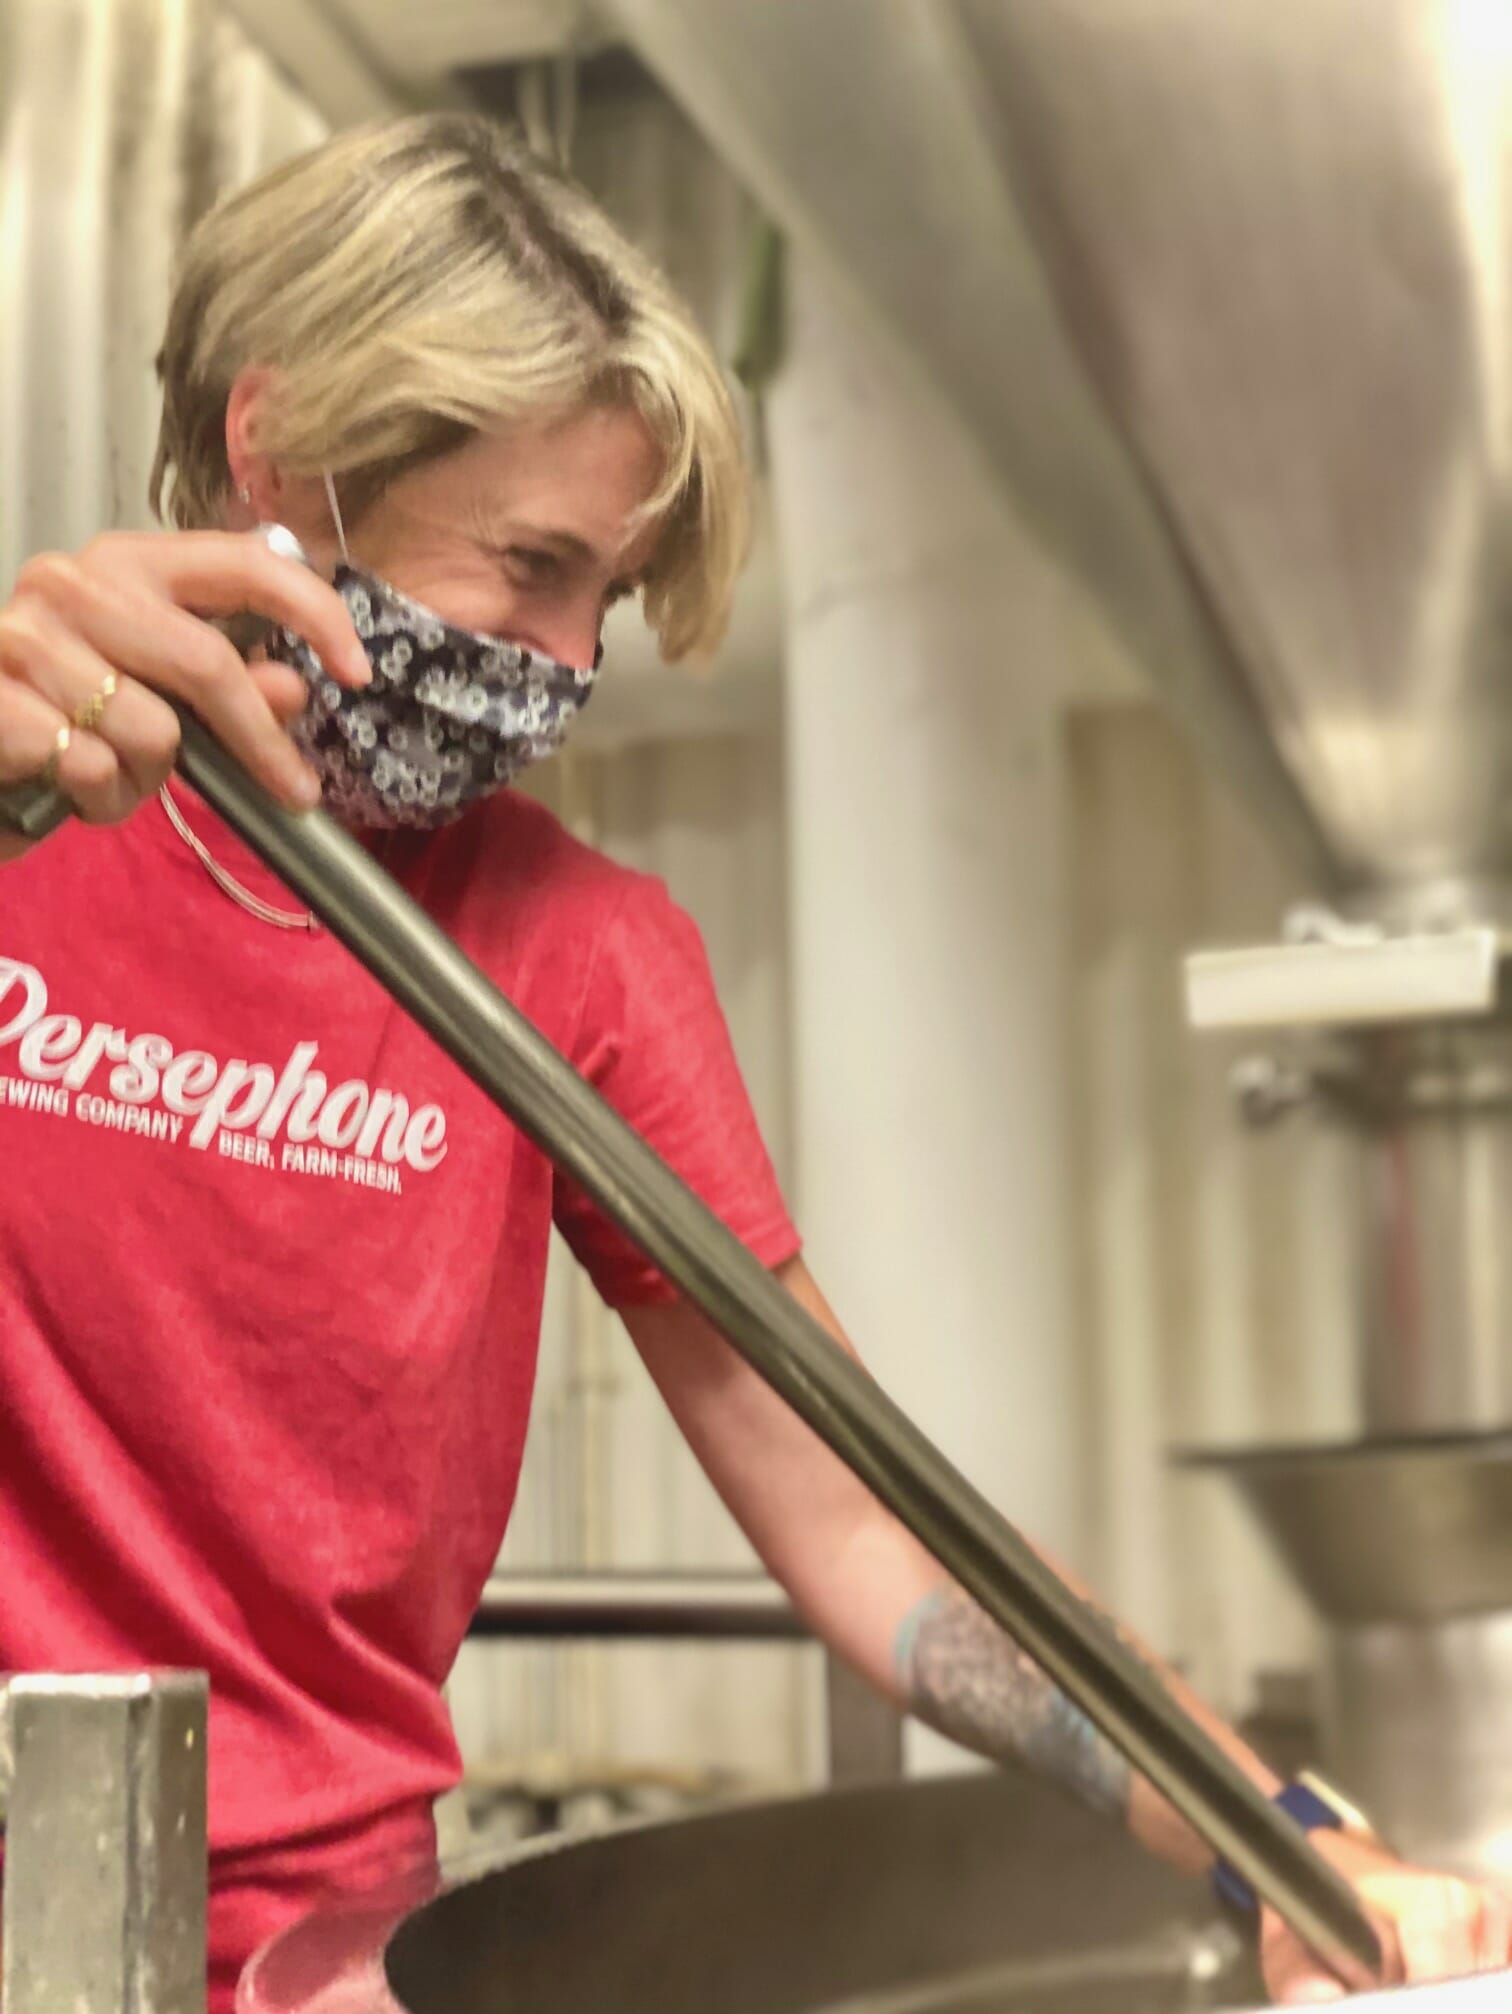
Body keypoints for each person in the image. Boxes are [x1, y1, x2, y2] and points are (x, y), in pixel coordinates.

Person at [0, 112, 1503, 2008]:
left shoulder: (582, 956)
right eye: (531, 562)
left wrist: (1271, 1824)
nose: (567, 666)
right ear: (277, 448)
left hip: (316, 1966)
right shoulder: (25, 811)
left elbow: (869, 1525)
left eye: (607, 599)